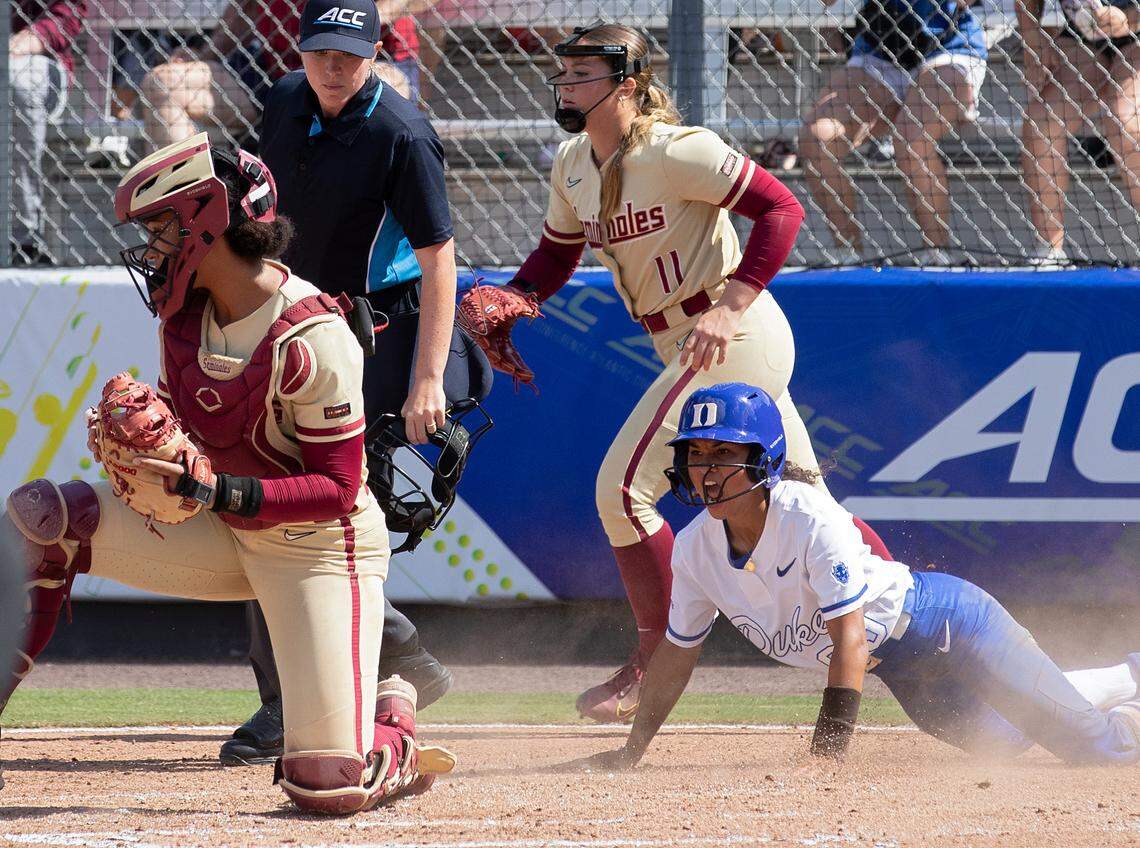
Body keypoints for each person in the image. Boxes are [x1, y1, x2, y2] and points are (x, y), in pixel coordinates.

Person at [0, 134, 454, 811]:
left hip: (320, 550)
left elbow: (334, 490)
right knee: (41, 515)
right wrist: (158, 466)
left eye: (160, 229)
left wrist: (216, 489)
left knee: (326, 787)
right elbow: (191, 445)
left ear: (206, 222)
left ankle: (395, 712)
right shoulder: (184, 320)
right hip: (223, 527)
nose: (149, 249)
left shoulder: (311, 333)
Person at [463, 22, 891, 723]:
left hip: (732, 332)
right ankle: (911, 620)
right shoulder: (573, 161)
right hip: (685, 341)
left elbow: (781, 209)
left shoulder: (676, 150)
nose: (565, 86)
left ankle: (650, 667)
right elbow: (554, 255)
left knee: (621, 490)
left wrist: (732, 303)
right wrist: (518, 298)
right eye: (562, 74)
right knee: (811, 502)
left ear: (625, 84)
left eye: (581, 76)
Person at [584, 382, 1140, 770]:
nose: (704, 470)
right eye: (695, 454)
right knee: (1006, 740)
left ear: (763, 460)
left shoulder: (807, 517)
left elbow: (847, 639)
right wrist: (632, 751)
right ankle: (1124, 677)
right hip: (905, 672)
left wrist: (828, 755)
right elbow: (677, 657)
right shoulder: (694, 550)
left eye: (722, 452)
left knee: (1096, 751)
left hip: (952, 626)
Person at [220, 0, 491, 765]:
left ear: (376, 51)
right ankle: (395, 660)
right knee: (274, 506)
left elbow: (441, 260)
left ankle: (292, 701)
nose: (333, 67)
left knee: (296, 513)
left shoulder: (400, 133)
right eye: (319, 52)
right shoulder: (280, 100)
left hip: (374, 340)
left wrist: (427, 380)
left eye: (349, 53)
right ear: (299, 49)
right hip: (290, 330)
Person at [798, 0, 988, 265]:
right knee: (818, 138)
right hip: (880, 51)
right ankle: (849, 256)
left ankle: (937, 255)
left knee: (911, 138)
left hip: (948, 47)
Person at [137, 0, 424, 147]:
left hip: (370, 61)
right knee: (165, 84)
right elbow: (246, 8)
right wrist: (206, 54)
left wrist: (366, 22)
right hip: (277, 68)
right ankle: (191, 218)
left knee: (374, 87)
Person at [1019, 0, 1140, 265]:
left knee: (1124, 120)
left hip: (1136, 37)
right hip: (1082, 35)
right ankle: (1049, 251)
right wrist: (1033, 37)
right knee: (1041, 122)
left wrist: (1129, 18)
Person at [9, 0, 87, 265]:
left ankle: (22, 238)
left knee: (13, 82)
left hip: (33, 60)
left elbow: (67, 16)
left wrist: (26, 39)